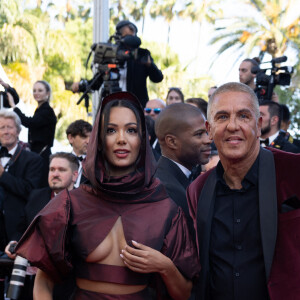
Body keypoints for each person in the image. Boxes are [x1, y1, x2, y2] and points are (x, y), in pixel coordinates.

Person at [15, 91, 200, 300]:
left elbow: (184, 294)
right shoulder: (70, 205)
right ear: (99, 140)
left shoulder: (165, 208)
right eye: (111, 130)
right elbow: (43, 282)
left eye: (131, 130)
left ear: (143, 139)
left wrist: (166, 266)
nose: (121, 139)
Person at [187, 82, 300, 300]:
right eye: (222, 117)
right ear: (209, 130)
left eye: (243, 116)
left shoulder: (294, 171)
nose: (232, 126)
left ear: (258, 126)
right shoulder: (198, 190)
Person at [5, 152, 79, 300]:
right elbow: (22, 227)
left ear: (75, 175)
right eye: (52, 169)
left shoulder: (84, 203)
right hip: (28, 280)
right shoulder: (36, 195)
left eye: (62, 170)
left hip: (68, 283)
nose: (55, 174)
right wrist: (14, 242)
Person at [71, 20, 163, 108]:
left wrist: (150, 65)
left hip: (136, 107)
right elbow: (96, 83)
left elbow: (158, 78)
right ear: (118, 37)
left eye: (133, 37)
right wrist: (80, 86)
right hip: (113, 105)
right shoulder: (110, 55)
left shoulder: (141, 55)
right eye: (127, 37)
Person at [154, 103, 211, 238]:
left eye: (207, 132)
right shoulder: (165, 189)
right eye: (199, 134)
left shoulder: (180, 178)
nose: (208, 140)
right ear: (172, 142)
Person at [0, 110, 43, 246]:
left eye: (10, 127)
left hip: (19, 230)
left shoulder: (33, 159)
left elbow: (30, 191)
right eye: (2, 127)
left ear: (18, 131)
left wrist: (3, 175)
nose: (6, 131)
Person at [66, 120, 92, 188]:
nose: (88, 141)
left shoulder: (97, 164)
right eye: (84, 137)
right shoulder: (62, 162)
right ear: (71, 138)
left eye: (91, 137)